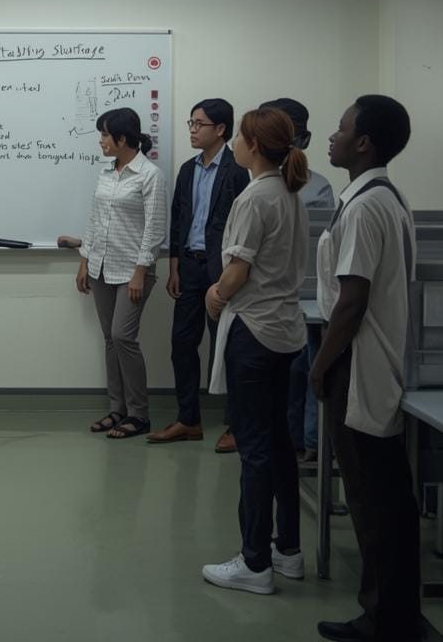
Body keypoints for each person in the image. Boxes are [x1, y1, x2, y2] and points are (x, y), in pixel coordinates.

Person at [308, 95, 422, 642]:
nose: (332, 137)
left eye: (341, 128)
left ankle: (386, 619)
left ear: (365, 143)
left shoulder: (366, 207)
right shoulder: (378, 197)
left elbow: (352, 302)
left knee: (374, 499)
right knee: (382, 496)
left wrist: (320, 365)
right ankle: (390, 613)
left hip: (358, 363)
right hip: (367, 360)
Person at [201, 108, 310, 595]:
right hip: (285, 331)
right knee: (281, 444)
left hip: (254, 332)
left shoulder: (254, 197)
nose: (236, 146)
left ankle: (254, 562)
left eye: (241, 138)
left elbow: (238, 270)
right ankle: (288, 550)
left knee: (255, 448)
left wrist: (216, 294)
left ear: (254, 145)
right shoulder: (289, 192)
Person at [148, 98, 250, 448]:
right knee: (181, 342)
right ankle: (188, 419)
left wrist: (232, 273)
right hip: (189, 267)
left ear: (220, 129)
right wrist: (174, 267)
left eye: (199, 124)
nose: (192, 130)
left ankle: (235, 424)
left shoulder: (237, 169)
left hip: (222, 269)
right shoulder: (188, 169)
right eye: (190, 123)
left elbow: (243, 225)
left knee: (225, 346)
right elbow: (178, 219)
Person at [78, 107, 167, 440]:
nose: (101, 141)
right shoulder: (106, 172)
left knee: (122, 336)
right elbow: (95, 219)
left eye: (104, 134)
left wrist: (140, 271)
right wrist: (85, 260)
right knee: (110, 339)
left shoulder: (149, 175)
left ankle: (139, 414)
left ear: (122, 138)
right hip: (101, 266)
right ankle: (117, 409)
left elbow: (155, 229)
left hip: (133, 270)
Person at [263, 97, 333, 460]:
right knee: (281, 374)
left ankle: (305, 442)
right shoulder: (256, 183)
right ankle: (288, 441)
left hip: (302, 294)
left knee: (303, 368)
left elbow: (320, 250)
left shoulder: (316, 188)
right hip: (270, 296)